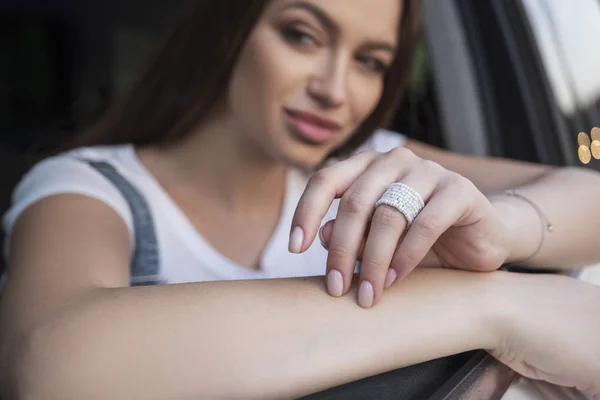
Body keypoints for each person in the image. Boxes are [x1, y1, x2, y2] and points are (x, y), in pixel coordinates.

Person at [0, 0, 599, 398]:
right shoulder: (92, 187)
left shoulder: (367, 164)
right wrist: (501, 308)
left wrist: (504, 227)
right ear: (229, 27)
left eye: (370, 62)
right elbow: (49, 363)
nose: (334, 90)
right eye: (302, 35)